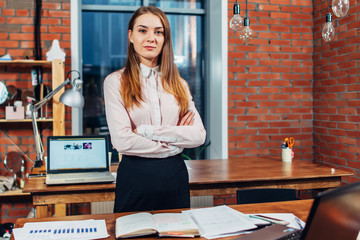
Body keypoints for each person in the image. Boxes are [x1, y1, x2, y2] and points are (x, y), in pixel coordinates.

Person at [103, 6, 206, 213]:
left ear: (165, 39)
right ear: (131, 36)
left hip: (174, 178)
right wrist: (175, 143)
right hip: (135, 178)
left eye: (158, 32)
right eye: (143, 31)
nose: (151, 38)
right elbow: (122, 141)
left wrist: (143, 131)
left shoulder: (180, 85)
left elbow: (197, 136)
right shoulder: (115, 82)